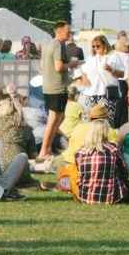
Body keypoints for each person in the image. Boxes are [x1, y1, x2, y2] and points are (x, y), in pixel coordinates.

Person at [38, 22, 75, 160]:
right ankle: (44, 150)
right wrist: (72, 64)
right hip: (57, 87)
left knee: (57, 119)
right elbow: (59, 67)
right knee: (53, 120)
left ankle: (47, 149)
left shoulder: (49, 44)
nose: (70, 34)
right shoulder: (58, 45)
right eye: (68, 31)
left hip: (49, 87)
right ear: (59, 31)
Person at [71, 119, 129, 205]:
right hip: (112, 197)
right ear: (106, 132)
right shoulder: (113, 149)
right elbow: (124, 172)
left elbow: (79, 174)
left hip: (85, 196)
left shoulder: (80, 153)